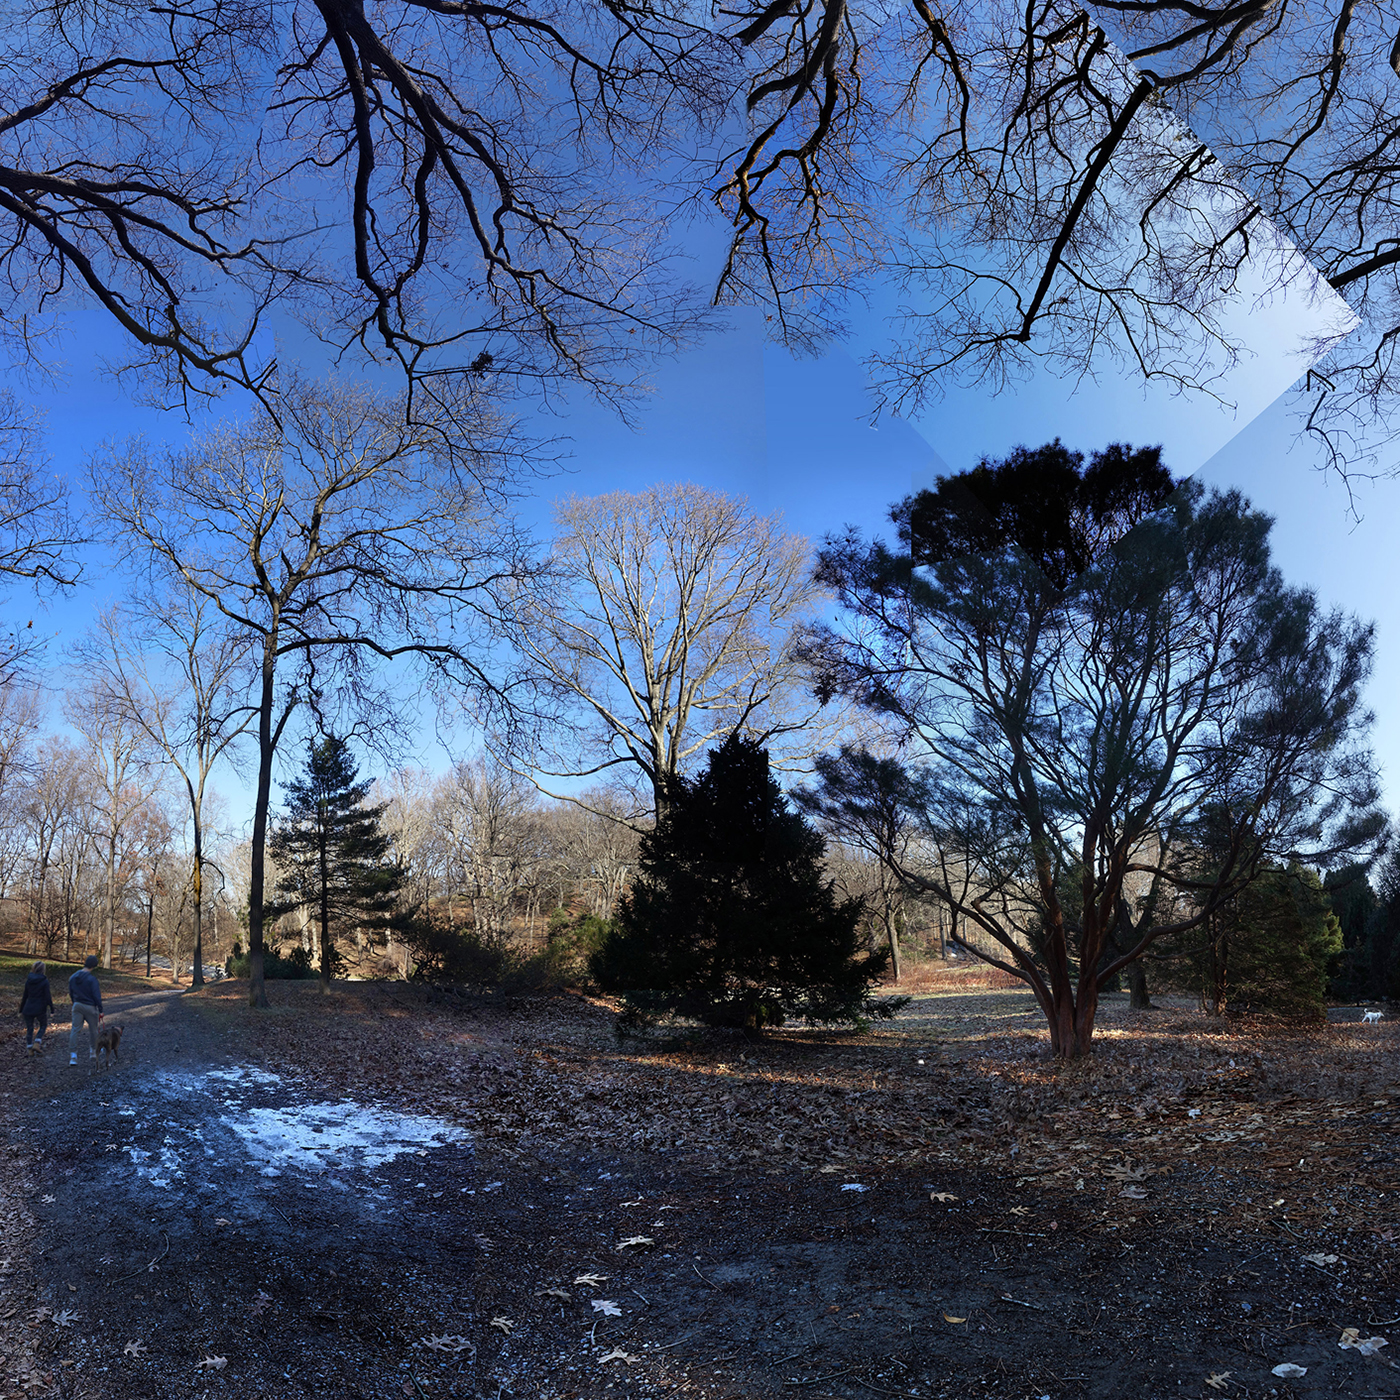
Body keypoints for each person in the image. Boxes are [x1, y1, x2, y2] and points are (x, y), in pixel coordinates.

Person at [68, 955, 103, 1066]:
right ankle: (93, 1051)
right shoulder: (92, 979)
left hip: (77, 1005)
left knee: (75, 1030)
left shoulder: (73, 977)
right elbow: (96, 996)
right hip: (90, 1007)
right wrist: (100, 1009)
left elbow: (71, 992)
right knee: (93, 1030)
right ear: (94, 965)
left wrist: (75, 1003)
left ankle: (73, 1056)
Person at [19, 960, 53, 1053]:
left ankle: (30, 1049)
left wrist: (21, 1009)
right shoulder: (44, 981)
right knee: (43, 1025)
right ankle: (37, 1043)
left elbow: (25, 996)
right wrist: (52, 1009)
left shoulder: (28, 980)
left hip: (28, 1007)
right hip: (40, 1008)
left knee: (29, 1028)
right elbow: (47, 996)